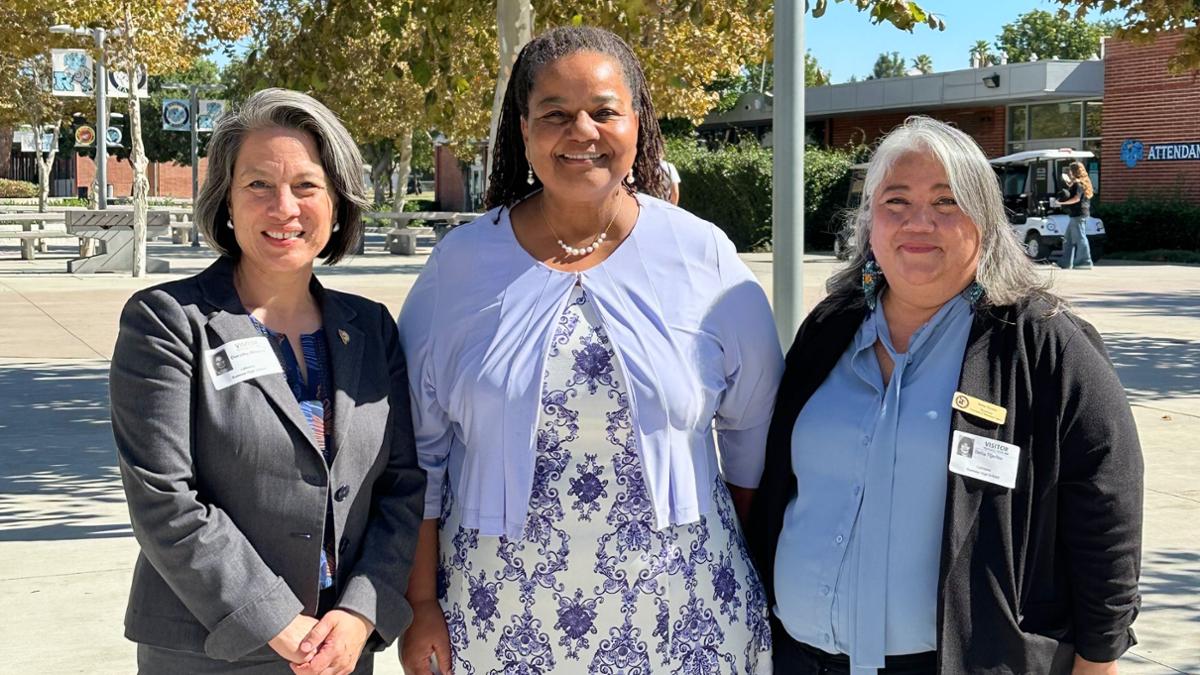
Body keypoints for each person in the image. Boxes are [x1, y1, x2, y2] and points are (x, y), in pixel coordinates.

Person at [398, 26, 782, 675]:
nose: (582, 131)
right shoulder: (457, 268)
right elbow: (418, 455)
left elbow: (755, 439)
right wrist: (419, 602)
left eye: (604, 111)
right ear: (524, 131)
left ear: (637, 123)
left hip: (685, 618)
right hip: (495, 622)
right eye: (555, 114)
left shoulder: (703, 256)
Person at [747, 117, 1142, 675]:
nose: (919, 221)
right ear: (870, 221)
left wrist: (1098, 658)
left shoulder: (1044, 346)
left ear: (985, 219)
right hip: (799, 657)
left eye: (946, 201)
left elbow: (1106, 508)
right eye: (896, 201)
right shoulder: (829, 329)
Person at [109, 88, 426, 674]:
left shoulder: (371, 328)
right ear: (226, 202)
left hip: (339, 647)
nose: (284, 208)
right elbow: (163, 498)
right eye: (258, 185)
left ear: (337, 203)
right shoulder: (168, 322)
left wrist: (361, 611)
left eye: (306, 186)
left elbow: (402, 486)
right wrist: (276, 620)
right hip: (209, 647)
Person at [1056, 161, 1095, 269]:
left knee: (1080, 238)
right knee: (1068, 239)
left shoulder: (1078, 183)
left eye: (1070, 170)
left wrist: (1062, 203)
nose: (1069, 172)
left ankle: (1085, 262)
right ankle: (1065, 263)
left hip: (1078, 214)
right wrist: (1069, 184)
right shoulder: (1083, 182)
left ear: (1074, 171)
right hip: (1077, 214)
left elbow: (1076, 198)